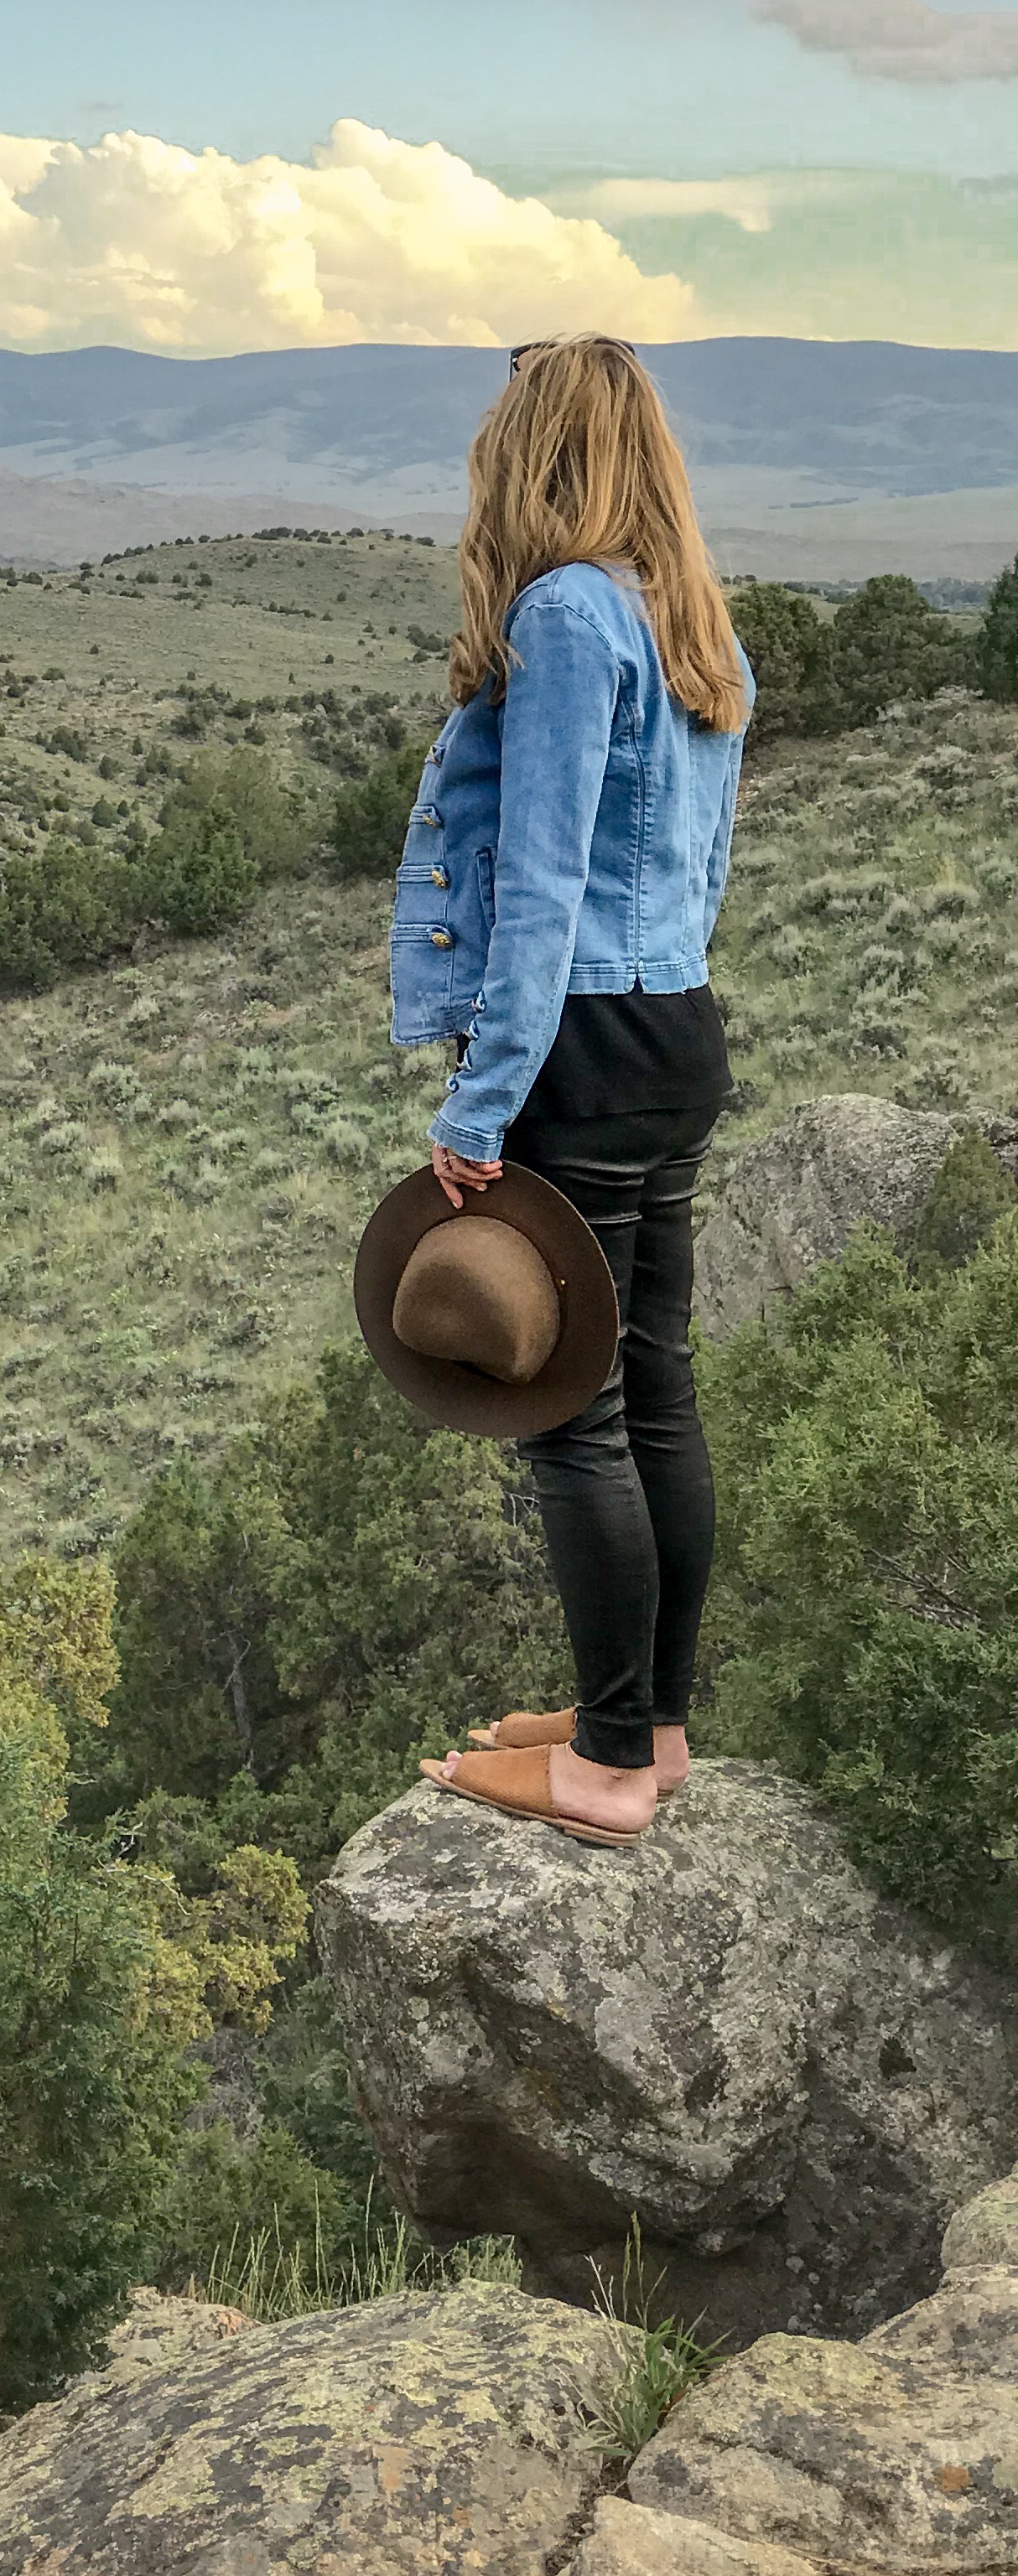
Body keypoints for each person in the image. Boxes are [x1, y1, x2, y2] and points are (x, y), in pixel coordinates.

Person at [389, 334, 753, 1842]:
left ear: (533, 456)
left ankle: (603, 1768)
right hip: (675, 1031)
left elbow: (538, 892)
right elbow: (709, 871)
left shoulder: (561, 616)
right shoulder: (695, 625)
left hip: (584, 1047)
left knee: (572, 1417)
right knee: (653, 1394)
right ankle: (649, 1728)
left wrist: (477, 1111)